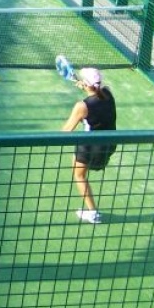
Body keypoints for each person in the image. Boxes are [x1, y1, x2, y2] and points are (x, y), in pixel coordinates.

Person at [61, 67, 117, 224]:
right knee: (80, 168)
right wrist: (84, 86)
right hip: (109, 144)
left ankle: (93, 213)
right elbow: (95, 95)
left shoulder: (82, 106)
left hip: (89, 148)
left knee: (79, 175)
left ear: (86, 84)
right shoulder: (108, 93)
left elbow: (66, 131)